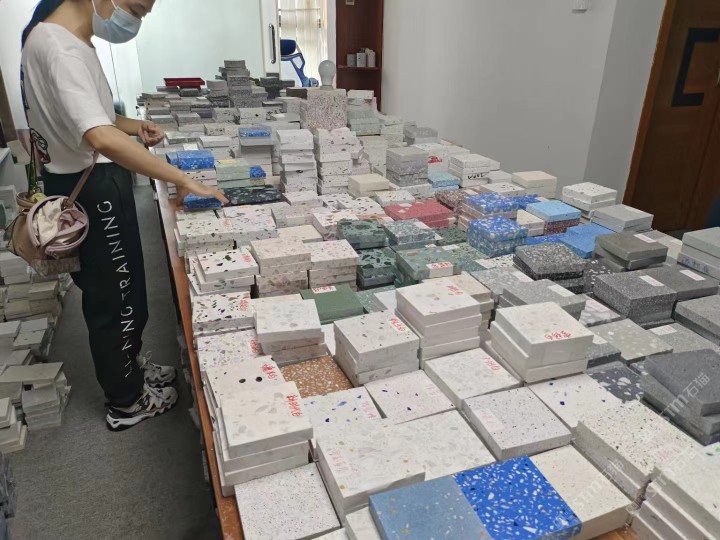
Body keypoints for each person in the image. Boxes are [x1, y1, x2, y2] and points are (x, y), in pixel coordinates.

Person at [20, 0, 228, 431]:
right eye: (136, 7)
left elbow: (94, 116)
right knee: (115, 300)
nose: (136, 19)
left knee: (122, 290)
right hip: (91, 187)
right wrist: (183, 179)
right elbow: (99, 136)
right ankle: (126, 402)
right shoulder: (61, 49)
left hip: (85, 180)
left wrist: (133, 126)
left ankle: (129, 370)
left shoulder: (53, 37)